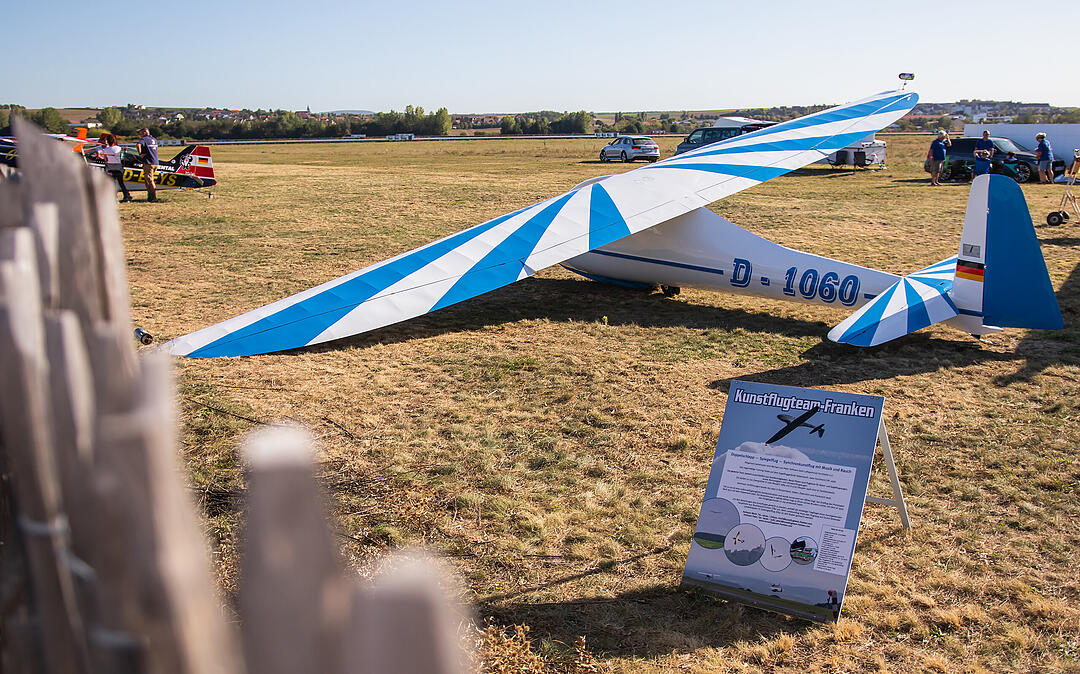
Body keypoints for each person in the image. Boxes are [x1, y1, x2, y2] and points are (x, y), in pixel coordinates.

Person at [101, 134, 132, 202]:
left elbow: (106, 160)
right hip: (118, 167)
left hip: (110, 167)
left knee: (112, 184)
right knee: (121, 183)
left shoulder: (105, 150)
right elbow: (122, 157)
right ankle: (126, 196)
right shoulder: (119, 148)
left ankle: (115, 198)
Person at [137, 127, 159, 202]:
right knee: (147, 179)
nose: (139, 134)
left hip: (148, 163)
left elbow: (138, 145)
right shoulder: (154, 139)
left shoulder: (144, 139)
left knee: (150, 180)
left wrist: (140, 154)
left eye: (140, 132)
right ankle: (150, 196)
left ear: (144, 132)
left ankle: (154, 197)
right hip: (155, 162)